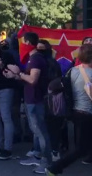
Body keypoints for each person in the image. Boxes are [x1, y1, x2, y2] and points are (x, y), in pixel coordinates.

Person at [4, 32, 52, 174]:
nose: (20, 45)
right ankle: (38, 156)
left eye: (22, 42)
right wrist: (14, 76)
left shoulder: (36, 59)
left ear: (28, 43)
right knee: (36, 131)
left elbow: (32, 80)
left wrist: (18, 74)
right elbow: (28, 78)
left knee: (41, 132)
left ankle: (47, 163)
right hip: (32, 99)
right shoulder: (33, 58)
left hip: (36, 100)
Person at [46, 44, 92, 175]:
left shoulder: (73, 70)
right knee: (81, 149)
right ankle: (55, 168)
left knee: (83, 145)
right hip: (88, 112)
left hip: (76, 111)